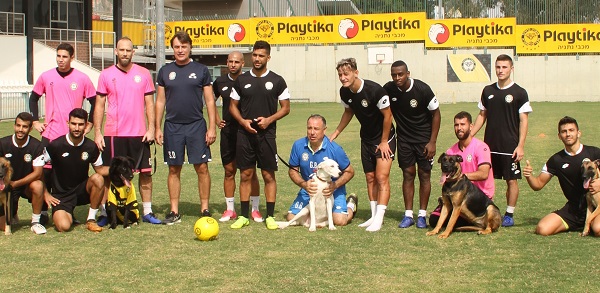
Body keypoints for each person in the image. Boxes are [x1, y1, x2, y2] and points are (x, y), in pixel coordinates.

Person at [94, 36, 161, 225]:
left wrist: (151, 128)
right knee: (108, 173)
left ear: (133, 52)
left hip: (139, 134)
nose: (124, 53)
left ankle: (147, 211)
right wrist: (98, 133)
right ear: (116, 51)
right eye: (121, 50)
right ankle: (106, 212)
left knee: (145, 172)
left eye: (128, 50)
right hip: (114, 134)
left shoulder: (144, 73)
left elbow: (150, 103)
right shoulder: (106, 75)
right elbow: (99, 105)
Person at [29, 42, 96, 225]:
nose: (61, 59)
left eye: (64, 56)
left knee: (71, 175)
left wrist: (91, 123)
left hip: (73, 137)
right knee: (46, 173)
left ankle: (69, 209)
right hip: (51, 133)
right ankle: (43, 211)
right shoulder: (46, 76)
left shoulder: (82, 78)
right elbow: (33, 97)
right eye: (58, 56)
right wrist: (35, 120)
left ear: (72, 58)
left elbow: (95, 101)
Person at [155, 31, 217, 225]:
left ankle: (204, 208)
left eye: (184, 46)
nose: (180, 50)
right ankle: (174, 211)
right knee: (174, 169)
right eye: (176, 47)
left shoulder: (201, 70)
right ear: (172, 48)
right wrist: (157, 127)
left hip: (196, 126)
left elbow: (209, 100)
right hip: (172, 127)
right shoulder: (165, 71)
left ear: (190, 47)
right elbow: (160, 102)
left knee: (202, 168)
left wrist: (212, 127)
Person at [229, 40, 291, 230]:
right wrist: (242, 122)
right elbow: (232, 106)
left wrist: (269, 120)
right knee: (246, 174)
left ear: (268, 58)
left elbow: (286, 108)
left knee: (268, 175)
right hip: (244, 135)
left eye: (261, 56)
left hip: (267, 136)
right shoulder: (242, 80)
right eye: (255, 55)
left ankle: (270, 216)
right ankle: (243, 215)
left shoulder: (278, 80)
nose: (257, 59)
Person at [330, 57, 395, 232]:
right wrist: (336, 132)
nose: (343, 77)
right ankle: (373, 216)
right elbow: (348, 111)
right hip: (366, 139)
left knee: (382, 178)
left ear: (356, 73)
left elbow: (388, 116)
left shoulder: (375, 90)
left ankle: (379, 219)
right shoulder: (344, 92)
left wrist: (383, 141)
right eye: (340, 74)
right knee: (370, 178)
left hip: (385, 139)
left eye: (346, 73)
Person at [471, 54, 532, 227]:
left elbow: (524, 120)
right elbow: (482, 115)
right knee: (482, 178)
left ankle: (509, 214)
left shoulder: (519, 92)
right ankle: (482, 210)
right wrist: (470, 135)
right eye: (498, 67)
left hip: (509, 146)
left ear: (512, 69)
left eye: (504, 67)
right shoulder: (488, 91)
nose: (500, 70)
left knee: (511, 180)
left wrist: (520, 146)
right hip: (488, 146)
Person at [383, 60, 441, 229]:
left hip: (424, 140)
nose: (397, 77)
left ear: (408, 73)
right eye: (394, 74)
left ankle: (422, 215)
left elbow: (436, 115)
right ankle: (408, 214)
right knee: (408, 174)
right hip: (405, 140)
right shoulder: (389, 89)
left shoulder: (422, 89)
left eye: (400, 74)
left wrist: (432, 142)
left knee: (424, 175)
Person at [523, 116, 600, 236]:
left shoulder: (594, 153)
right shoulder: (556, 160)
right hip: (574, 209)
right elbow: (538, 185)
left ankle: (591, 224)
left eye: (571, 130)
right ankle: (580, 225)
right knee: (543, 229)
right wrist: (529, 176)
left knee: (598, 229)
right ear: (559, 136)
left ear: (578, 133)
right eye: (564, 131)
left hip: (596, 207)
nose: (568, 134)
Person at [213, 51, 263, 223]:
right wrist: (217, 120)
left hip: (246, 132)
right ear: (227, 63)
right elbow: (210, 100)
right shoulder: (220, 82)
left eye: (237, 62)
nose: (233, 64)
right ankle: (230, 210)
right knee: (229, 171)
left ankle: (255, 209)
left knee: (249, 172)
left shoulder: (248, 80)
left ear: (243, 63)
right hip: (228, 132)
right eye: (230, 61)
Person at [287, 114, 357, 226]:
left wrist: (335, 185)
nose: (312, 132)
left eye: (316, 129)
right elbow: (292, 170)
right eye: (309, 128)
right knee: (292, 217)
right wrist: (304, 184)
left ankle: (350, 205)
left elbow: (350, 171)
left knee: (339, 221)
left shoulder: (335, 148)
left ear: (324, 130)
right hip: (310, 190)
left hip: (333, 190)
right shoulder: (298, 145)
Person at [43, 108, 105, 232]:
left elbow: (101, 170)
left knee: (98, 178)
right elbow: (38, 168)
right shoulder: (55, 145)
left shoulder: (91, 146)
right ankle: (68, 213)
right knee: (63, 226)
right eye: (74, 124)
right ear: (68, 123)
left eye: (81, 124)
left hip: (81, 191)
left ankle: (91, 220)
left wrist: (119, 170)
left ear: (86, 125)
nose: (77, 128)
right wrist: (45, 193)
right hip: (61, 195)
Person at [429, 111, 495, 228]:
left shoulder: (481, 147)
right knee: (434, 219)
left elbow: (484, 174)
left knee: (449, 216)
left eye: (463, 124)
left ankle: (471, 220)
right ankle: (463, 220)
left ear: (471, 126)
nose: (459, 128)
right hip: (458, 194)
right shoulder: (451, 152)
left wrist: (461, 176)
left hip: (478, 198)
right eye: (456, 125)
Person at [0, 112, 47, 234]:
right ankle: (12, 211)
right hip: (7, 187)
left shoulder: (36, 146)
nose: (20, 130)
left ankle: (35, 222)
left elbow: (37, 173)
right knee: (3, 226)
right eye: (18, 125)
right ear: (14, 126)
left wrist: (16, 183)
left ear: (30, 128)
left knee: (38, 185)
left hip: (27, 185)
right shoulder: (3, 144)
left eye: (25, 126)